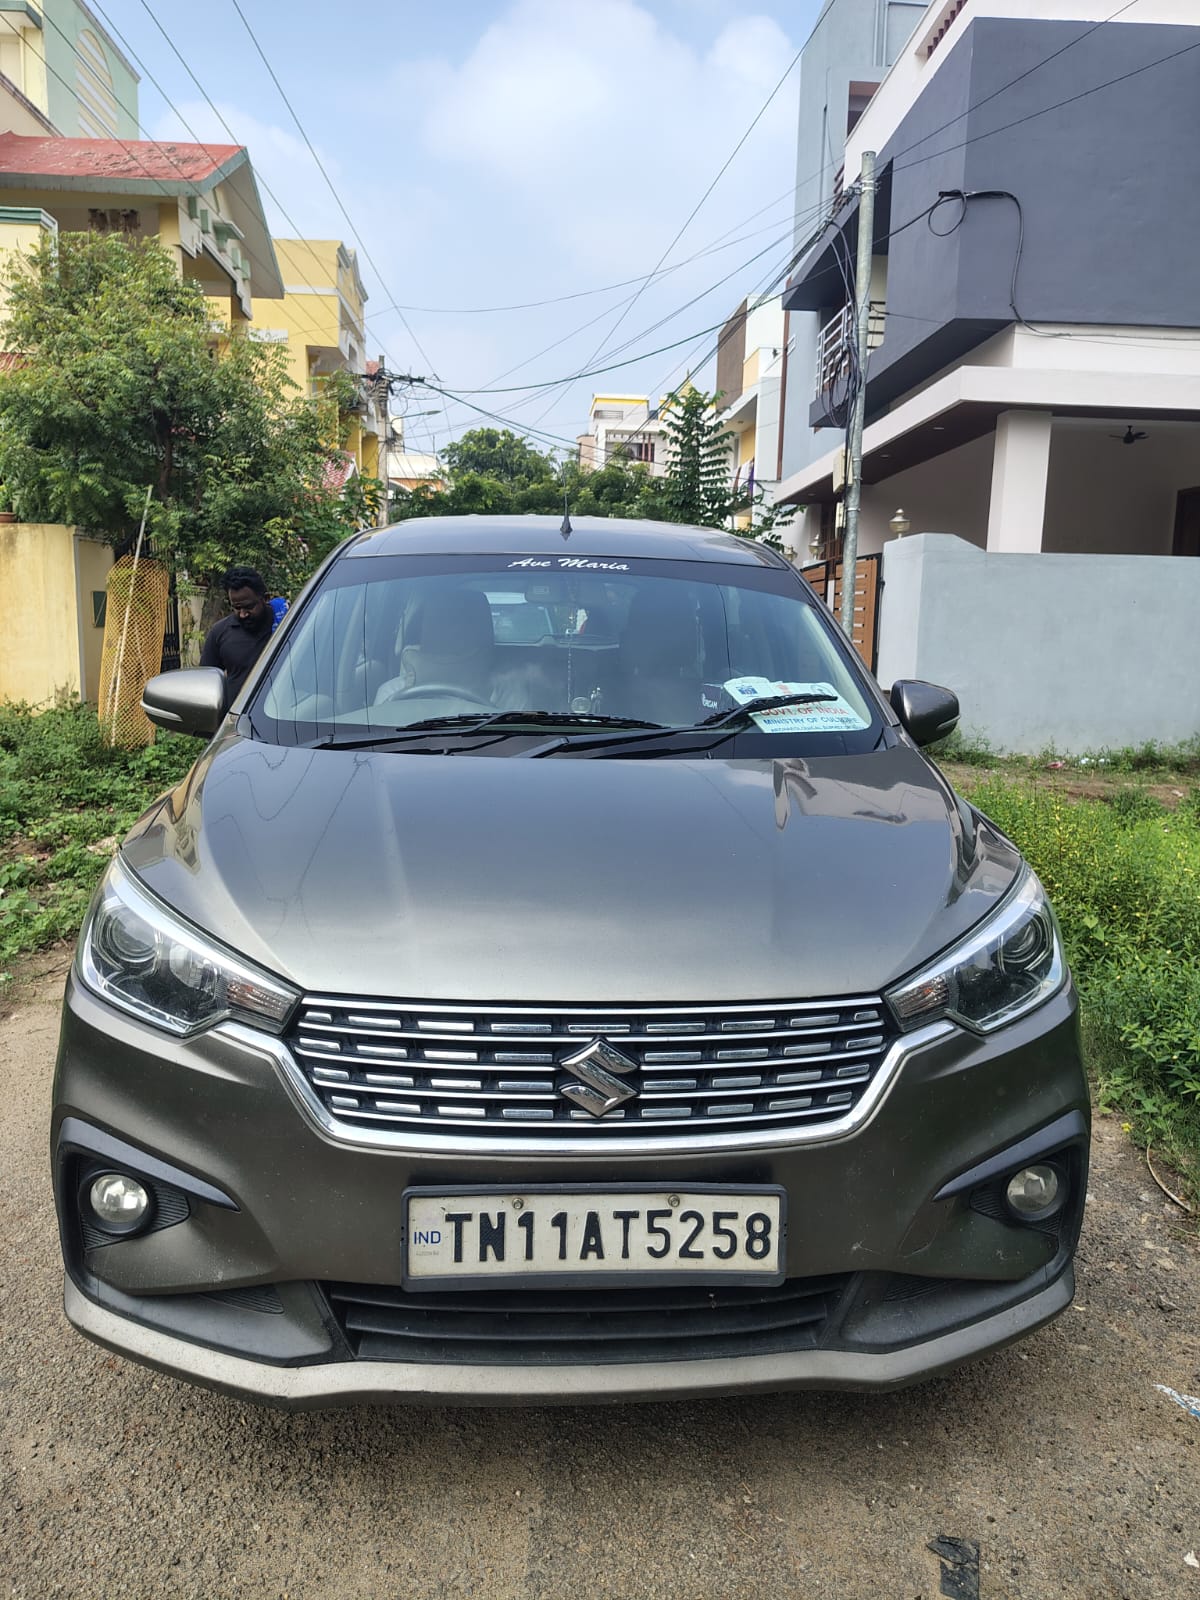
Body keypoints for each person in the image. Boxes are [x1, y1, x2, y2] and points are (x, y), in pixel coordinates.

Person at [199, 566, 288, 701]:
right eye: (236, 608)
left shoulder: (286, 625)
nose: (243, 614)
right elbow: (205, 685)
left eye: (249, 607)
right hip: (238, 719)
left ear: (265, 598)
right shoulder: (219, 633)